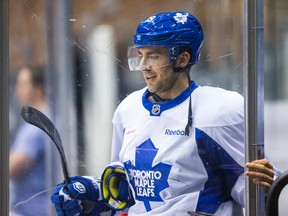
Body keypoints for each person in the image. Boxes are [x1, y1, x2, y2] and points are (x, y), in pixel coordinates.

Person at [51, 11, 278, 216]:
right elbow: (127, 191)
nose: (143, 66)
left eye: (153, 56)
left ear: (182, 59)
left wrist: (266, 187)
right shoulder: (128, 109)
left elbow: (255, 193)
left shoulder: (217, 112)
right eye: (140, 55)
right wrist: (93, 193)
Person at [10, 66, 51, 216]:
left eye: (23, 85)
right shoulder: (39, 119)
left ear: (39, 89)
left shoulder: (38, 125)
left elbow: (12, 168)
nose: (17, 91)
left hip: (32, 210)